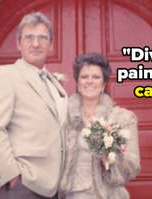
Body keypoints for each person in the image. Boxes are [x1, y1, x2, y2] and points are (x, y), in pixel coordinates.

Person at [0, 12, 68, 199]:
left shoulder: (54, 83)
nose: (36, 44)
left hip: (55, 189)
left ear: (51, 44)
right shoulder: (6, 75)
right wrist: (11, 174)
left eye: (42, 38)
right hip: (24, 186)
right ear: (18, 43)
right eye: (29, 37)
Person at [59, 53, 140, 198]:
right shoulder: (63, 117)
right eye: (84, 77)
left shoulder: (122, 119)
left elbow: (132, 167)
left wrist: (109, 156)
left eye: (96, 77)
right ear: (77, 83)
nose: (89, 81)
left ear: (103, 84)